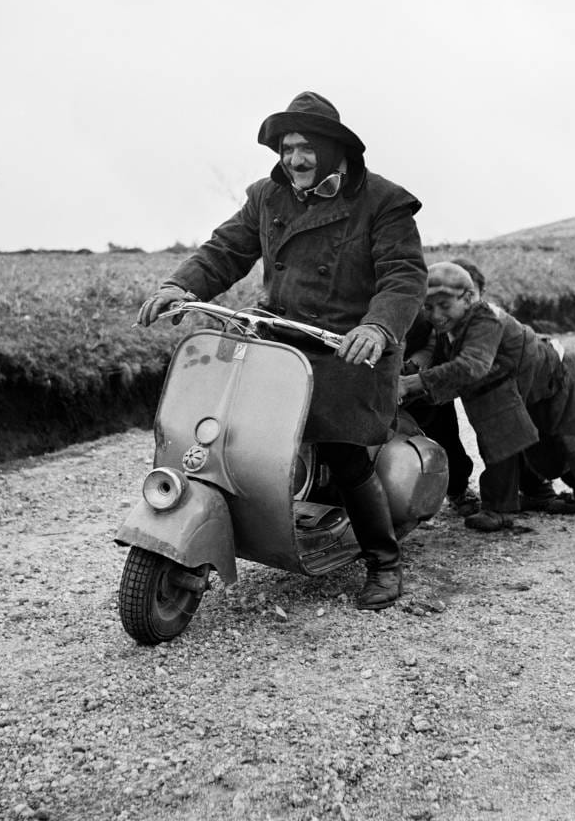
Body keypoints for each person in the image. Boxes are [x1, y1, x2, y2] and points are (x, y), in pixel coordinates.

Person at [137, 91, 428, 609]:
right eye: (286, 147)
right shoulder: (266, 197)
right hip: (278, 341)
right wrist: (181, 286)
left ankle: (383, 561)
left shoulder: (383, 202)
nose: (294, 158)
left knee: (343, 450)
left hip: (347, 347)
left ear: (336, 148)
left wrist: (378, 328)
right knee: (234, 430)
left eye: (306, 146)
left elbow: (403, 276)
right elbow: (226, 250)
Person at [398, 261, 575, 538]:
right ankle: (514, 503)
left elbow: (471, 366)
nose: (435, 315)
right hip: (523, 392)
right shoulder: (449, 328)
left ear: (468, 298)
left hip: (566, 382)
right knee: (511, 443)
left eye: (444, 305)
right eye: (428, 307)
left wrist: (411, 383)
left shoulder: (486, 320)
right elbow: (447, 373)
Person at [400, 258, 485, 516]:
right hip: (388, 381)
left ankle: (458, 489)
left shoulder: (441, 316)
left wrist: (413, 372)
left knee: (446, 437)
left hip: (427, 389)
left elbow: (435, 345)